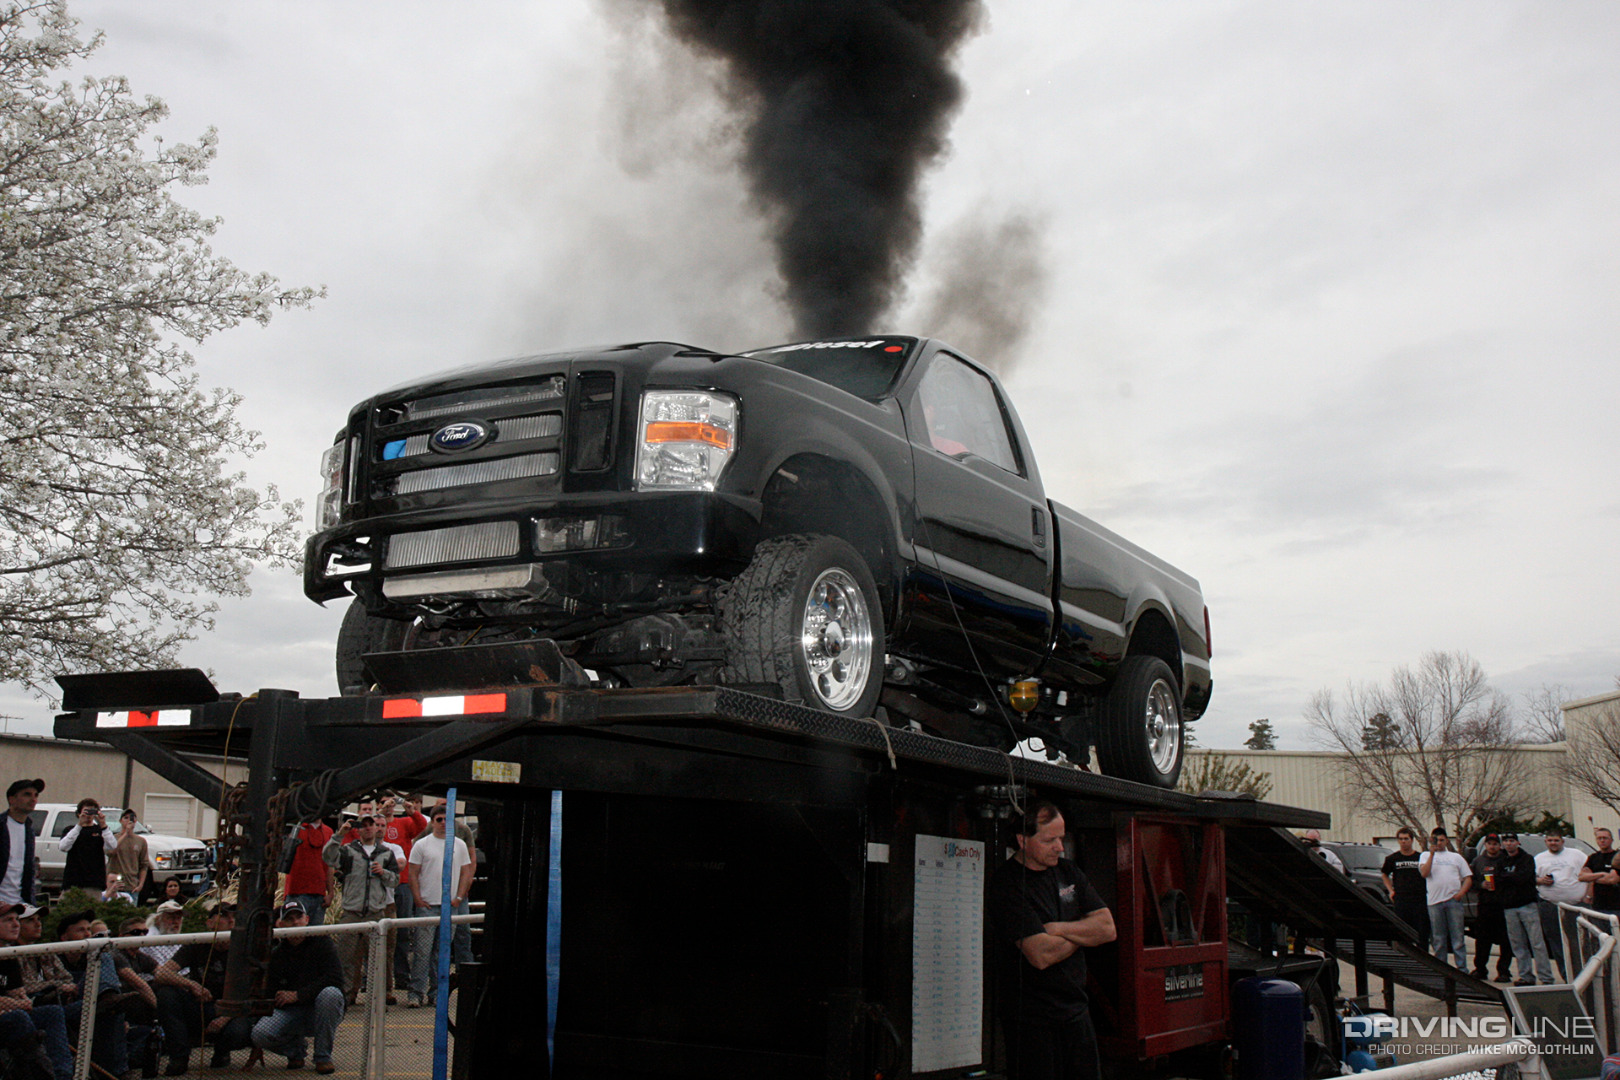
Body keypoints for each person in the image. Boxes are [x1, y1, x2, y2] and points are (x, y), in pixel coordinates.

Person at [986, 801, 1116, 1080]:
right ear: (1023, 840)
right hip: (1031, 1022)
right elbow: (1040, 955)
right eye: (1050, 840)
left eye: (1062, 838)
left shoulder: (1068, 871)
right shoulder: (1007, 884)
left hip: (1076, 1012)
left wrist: (1058, 929)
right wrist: (1084, 935)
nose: (1060, 847)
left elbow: (1107, 928)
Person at [154, 902, 254, 1072]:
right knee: (166, 994)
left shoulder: (245, 949)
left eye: (234, 917)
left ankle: (222, 1051)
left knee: (238, 1032)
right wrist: (191, 984)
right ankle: (179, 1057)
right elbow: (162, 974)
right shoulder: (198, 943)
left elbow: (252, 991)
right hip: (201, 1005)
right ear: (209, 923)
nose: (230, 921)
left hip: (232, 1009)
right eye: (223, 916)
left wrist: (225, 1018)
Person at [245, 902, 344, 1074]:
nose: (295, 923)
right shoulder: (276, 953)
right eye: (289, 919)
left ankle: (322, 1057)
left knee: (331, 994)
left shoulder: (322, 942)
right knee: (260, 1034)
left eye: (299, 917)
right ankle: (296, 1050)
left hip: (318, 1009)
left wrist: (298, 995)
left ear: (307, 919)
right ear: (280, 925)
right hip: (292, 1012)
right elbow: (270, 991)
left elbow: (335, 978)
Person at [321, 815, 399, 1004]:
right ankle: (347, 997)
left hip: (376, 914)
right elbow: (328, 857)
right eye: (363, 826)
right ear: (358, 829)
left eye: (370, 825)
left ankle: (376, 1000)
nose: (367, 829)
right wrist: (339, 835)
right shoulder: (348, 851)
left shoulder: (386, 853)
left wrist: (384, 873)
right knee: (346, 958)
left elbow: (395, 880)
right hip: (352, 913)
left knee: (376, 961)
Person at [406, 805, 472, 1009]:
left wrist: (459, 897)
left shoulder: (459, 845)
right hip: (427, 906)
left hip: (449, 906)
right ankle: (415, 993)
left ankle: (436, 992)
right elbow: (413, 873)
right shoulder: (422, 844)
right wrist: (417, 898)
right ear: (432, 822)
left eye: (447, 819)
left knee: (441, 953)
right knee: (422, 952)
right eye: (439, 819)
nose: (443, 823)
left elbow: (466, 872)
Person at [0, 902, 73, 1080]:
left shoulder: (9, 954)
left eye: (17, 919)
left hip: (8, 1014)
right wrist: (17, 1004)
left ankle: (62, 1075)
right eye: (8, 920)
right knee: (20, 1018)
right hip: (9, 1016)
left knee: (52, 1012)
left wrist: (20, 1002)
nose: (15, 924)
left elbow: (19, 994)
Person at [383, 795, 429, 995]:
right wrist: (381, 813)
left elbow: (421, 826)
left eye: (391, 803)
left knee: (402, 931)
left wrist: (411, 811)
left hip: (402, 884)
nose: (389, 806)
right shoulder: (374, 826)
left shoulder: (403, 823)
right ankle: (372, 977)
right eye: (384, 803)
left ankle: (401, 975)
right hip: (380, 886)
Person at [1497, 833, 1553, 985]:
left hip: (1527, 905)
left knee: (1537, 943)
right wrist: (1511, 877)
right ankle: (1526, 976)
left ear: (1518, 843)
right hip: (1509, 907)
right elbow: (1498, 878)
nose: (1509, 844)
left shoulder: (1527, 859)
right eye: (1506, 841)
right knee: (1518, 944)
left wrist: (1508, 877)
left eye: (1512, 841)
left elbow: (1524, 878)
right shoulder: (1501, 860)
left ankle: (1546, 977)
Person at [1535, 829, 1587, 982]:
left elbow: (1588, 873)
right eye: (1550, 840)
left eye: (1556, 840)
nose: (1553, 843)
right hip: (1550, 905)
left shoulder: (1577, 855)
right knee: (1556, 942)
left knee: (1579, 941)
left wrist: (1587, 895)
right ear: (1546, 842)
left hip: (1576, 905)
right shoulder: (1539, 858)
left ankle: (1583, 974)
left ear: (1562, 841)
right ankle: (1567, 976)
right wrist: (1541, 881)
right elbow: (1532, 878)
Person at [1418, 827, 1471, 969]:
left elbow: (1468, 878)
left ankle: (1462, 969)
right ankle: (1441, 968)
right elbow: (1424, 873)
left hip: (1453, 901)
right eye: (1436, 840)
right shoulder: (1424, 856)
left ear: (1446, 840)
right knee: (1438, 938)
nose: (1439, 843)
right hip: (1434, 902)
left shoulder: (1456, 857)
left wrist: (1460, 894)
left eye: (1441, 840)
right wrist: (1432, 854)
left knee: (1457, 937)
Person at [1468, 834, 1513, 982]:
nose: (1492, 846)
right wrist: (1481, 885)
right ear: (1485, 845)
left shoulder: (1506, 860)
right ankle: (1480, 969)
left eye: (1495, 844)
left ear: (1499, 846)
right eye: (1489, 843)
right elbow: (1470, 880)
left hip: (1503, 905)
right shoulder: (1478, 861)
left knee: (1506, 940)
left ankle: (1504, 971)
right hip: (1485, 905)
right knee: (1482, 940)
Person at [1381, 827, 1430, 950]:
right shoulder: (1392, 859)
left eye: (1406, 839)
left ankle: (1423, 957)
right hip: (1401, 900)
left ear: (1412, 840)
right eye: (1401, 839)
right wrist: (1391, 890)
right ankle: (1404, 954)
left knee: (1422, 930)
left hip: (1420, 899)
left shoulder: (1420, 857)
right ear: (1398, 841)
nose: (1404, 841)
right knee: (1402, 930)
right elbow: (1384, 874)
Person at [59, 799, 119, 893]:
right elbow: (63, 847)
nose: (88, 815)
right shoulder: (71, 830)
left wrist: (103, 824)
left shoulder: (100, 830)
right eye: (86, 811)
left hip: (94, 882)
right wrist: (79, 825)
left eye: (92, 812)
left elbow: (113, 846)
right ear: (79, 813)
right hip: (73, 881)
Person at [0, 779, 44, 906]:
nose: (33, 799)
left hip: (21, 903)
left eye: (36, 795)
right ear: (11, 799)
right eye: (27, 794)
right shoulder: (2, 825)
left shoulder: (29, 829)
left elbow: (28, 870)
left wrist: (30, 902)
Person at [284, 819, 335, 926]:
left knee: (314, 937)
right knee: (294, 933)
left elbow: (329, 865)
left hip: (319, 896)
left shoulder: (328, 831)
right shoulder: (295, 828)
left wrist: (330, 892)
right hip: (296, 893)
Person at [1579, 827, 1620, 919]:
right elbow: (1581, 877)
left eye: (1605, 838)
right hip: (1599, 905)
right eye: (1599, 838)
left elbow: (1612, 880)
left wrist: (1592, 877)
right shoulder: (1593, 858)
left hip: (1616, 906)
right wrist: (1601, 874)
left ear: (1612, 840)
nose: (1602, 841)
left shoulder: (1617, 857)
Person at [111, 809, 149, 899]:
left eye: (131, 818)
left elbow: (144, 865)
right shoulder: (113, 838)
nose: (128, 820)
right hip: (115, 884)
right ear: (120, 821)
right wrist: (125, 834)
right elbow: (111, 852)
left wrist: (140, 885)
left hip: (132, 886)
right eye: (125, 818)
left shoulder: (141, 841)